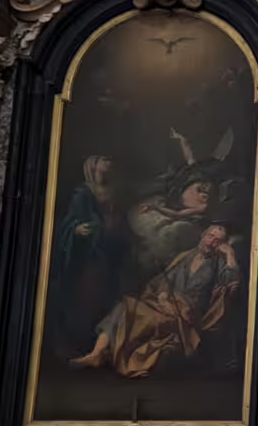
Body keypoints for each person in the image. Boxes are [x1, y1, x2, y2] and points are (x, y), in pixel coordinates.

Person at [72, 223, 240, 377]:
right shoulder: (185, 257)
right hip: (165, 305)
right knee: (124, 307)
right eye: (210, 236)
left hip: (186, 317)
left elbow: (231, 285)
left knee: (140, 316)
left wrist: (230, 255)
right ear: (203, 236)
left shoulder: (219, 263)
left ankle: (114, 357)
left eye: (218, 241)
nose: (212, 242)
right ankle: (96, 354)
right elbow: (163, 282)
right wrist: (163, 298)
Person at [53, 155, 129, 350]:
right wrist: (75, 230)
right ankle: (80, 340)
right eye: (104, 159)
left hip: (109, 247)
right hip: (89, 251)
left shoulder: (114, 192)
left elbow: (120, 217)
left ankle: (101, 342)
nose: (108, 162)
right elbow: (69, 221)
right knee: (87, 293)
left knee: (107, 292)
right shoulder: (82, 193)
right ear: (94, 165)